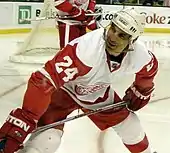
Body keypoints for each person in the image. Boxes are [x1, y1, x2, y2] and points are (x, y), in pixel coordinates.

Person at [0, 8, 158, 153]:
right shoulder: (86, 50)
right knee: (48, 140)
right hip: (64, 91)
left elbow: (149, 70)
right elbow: (43, 80)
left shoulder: (140, 55)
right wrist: (26, 117)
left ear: (132, 41)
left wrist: (142, 89)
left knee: (131, 126)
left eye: (122, 35)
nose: (112, 37)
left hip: (96, 92)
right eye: (113, 29)